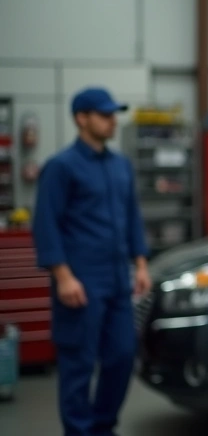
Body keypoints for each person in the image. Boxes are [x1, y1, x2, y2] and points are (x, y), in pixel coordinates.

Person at [32, 87, 152, 436]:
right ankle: (78, 430)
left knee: (121, 357)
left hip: (117, 280)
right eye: (104, 114)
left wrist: (141, 263)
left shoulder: (120, 166)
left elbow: (132, 216)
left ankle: (102, 427)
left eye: (114, 114)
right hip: (80, 280)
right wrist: (63, 276)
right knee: (78, 363)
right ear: (81, 118)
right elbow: (46, 224)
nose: (112, 120)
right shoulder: (61, 167)